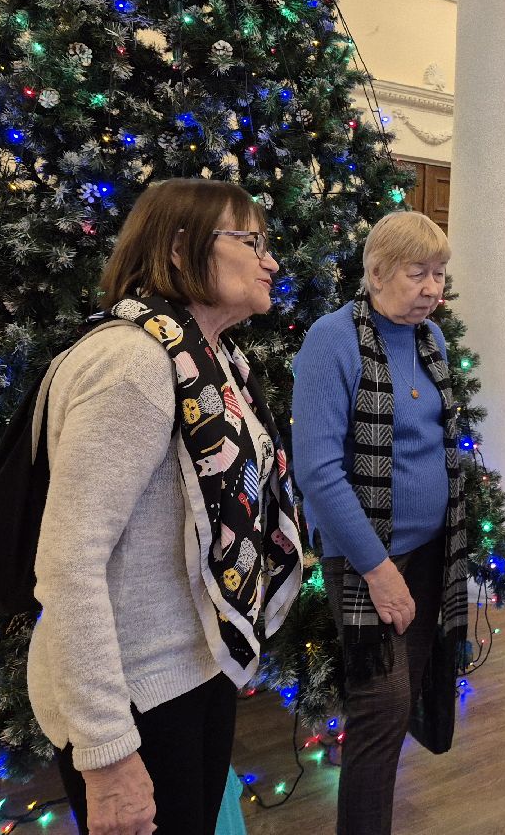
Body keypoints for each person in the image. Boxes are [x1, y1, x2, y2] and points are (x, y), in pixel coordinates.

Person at [27, 178, 303, 835]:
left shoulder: (210, 359)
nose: (271, 261)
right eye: (251, 241)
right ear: (180, 249)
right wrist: (106, 754)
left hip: (198, 663)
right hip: (135, 695)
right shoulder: (133, 363)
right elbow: (69, 565)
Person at [292, 211, 469, 835]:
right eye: (417, 273)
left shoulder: (432, 342)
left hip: (430, 553)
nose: (432, 289)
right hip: (369, 559)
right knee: (381, 709)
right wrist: (377, 569)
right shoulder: (331, 340)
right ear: (375, 273)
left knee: (406, 697)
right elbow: (317, 472)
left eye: (438, 274)